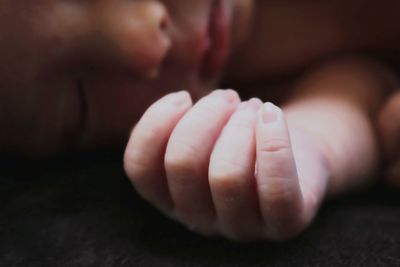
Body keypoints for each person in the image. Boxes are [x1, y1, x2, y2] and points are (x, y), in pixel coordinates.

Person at [0, 0, 399, 241]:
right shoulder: (247, 80)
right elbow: (353, 91)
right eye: (79, 103)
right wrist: (299, 147)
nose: (141, 42)